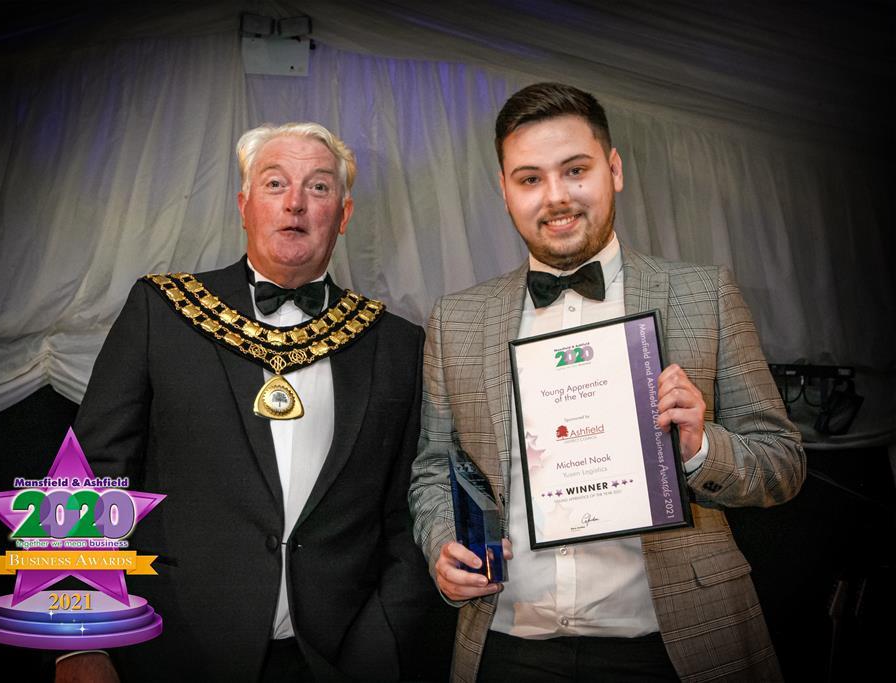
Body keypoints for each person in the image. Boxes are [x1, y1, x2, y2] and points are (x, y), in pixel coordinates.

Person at [409, 82, 805, 682]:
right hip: (509, 643)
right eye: (530, 178)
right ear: (505, 190)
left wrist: (699, 448)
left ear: (613, 170)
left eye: (575, 170)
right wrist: (444, 543)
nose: (556, 197)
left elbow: (783, 464)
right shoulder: (457, 318)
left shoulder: (703, 293)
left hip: (673, 644)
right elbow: (436, 469)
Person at [57, 122, 448, 681]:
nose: (295, 204)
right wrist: (78, 641)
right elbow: (88, 480)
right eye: (274, 184)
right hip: (169, 652)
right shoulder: (162, 313)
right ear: (243, 205)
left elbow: (406, 515)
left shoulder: (396, 344)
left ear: (344, 213)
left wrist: (380, 641)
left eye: (318, 188)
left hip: (333, 661)